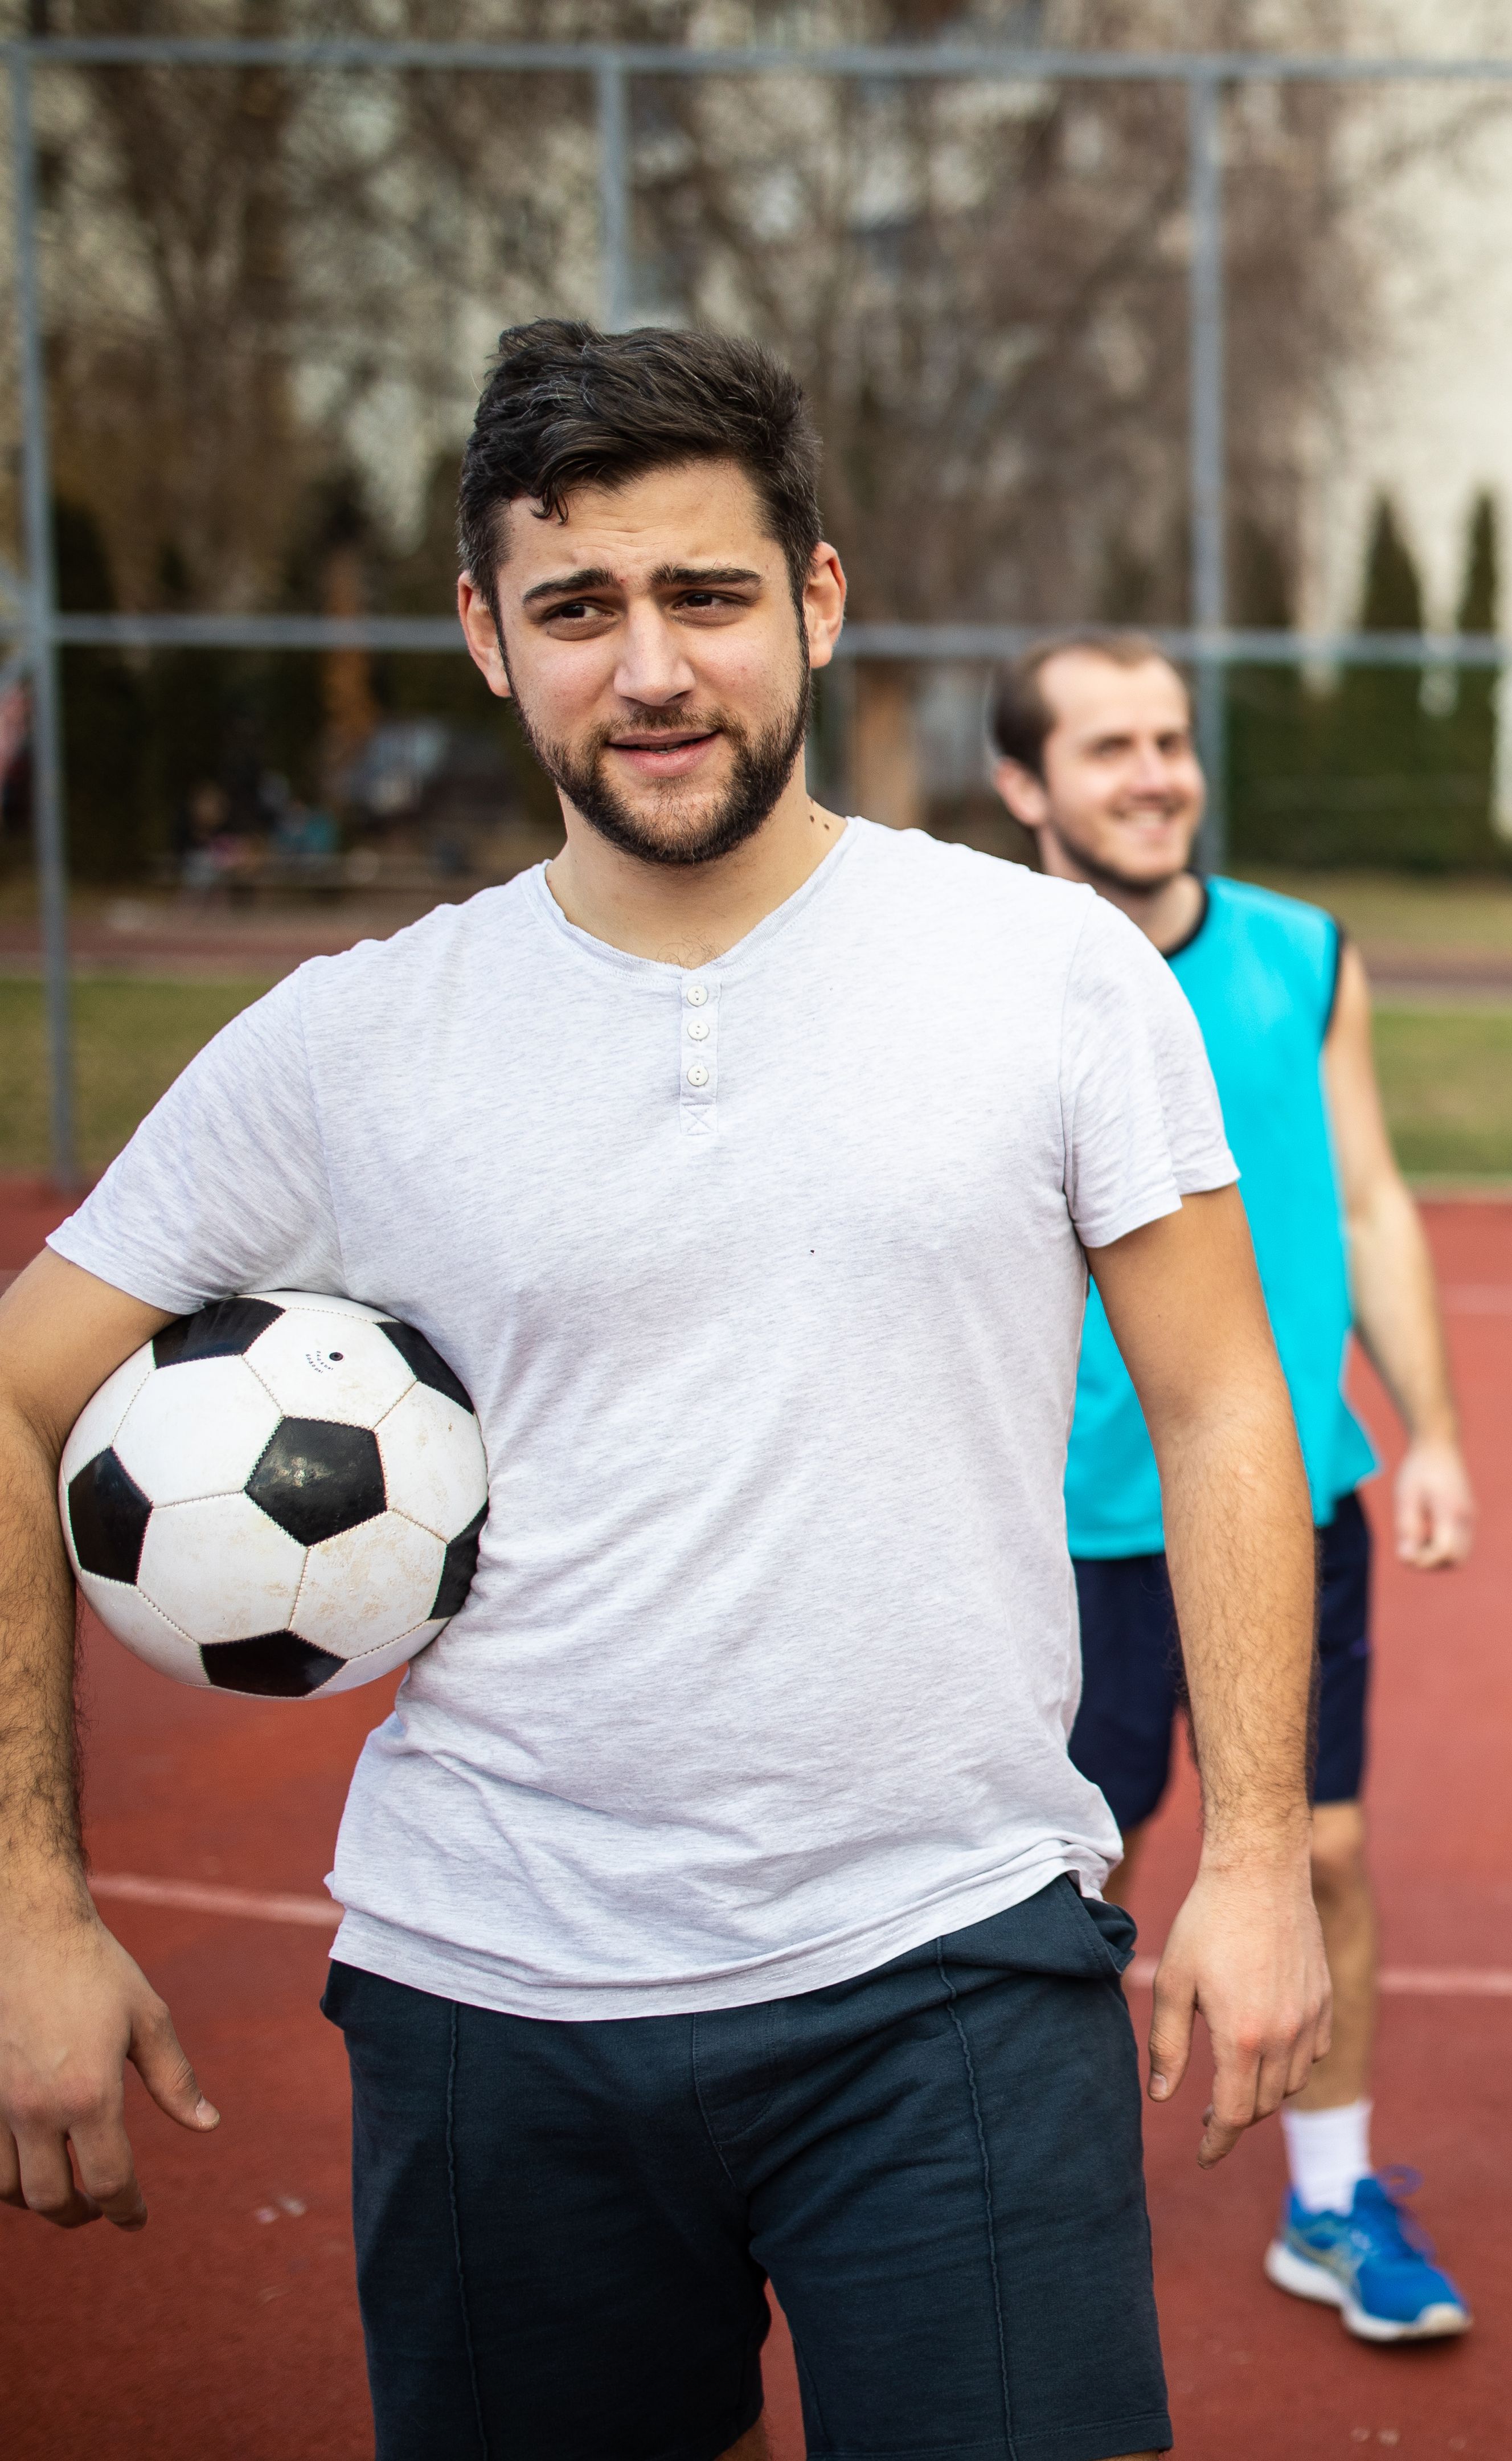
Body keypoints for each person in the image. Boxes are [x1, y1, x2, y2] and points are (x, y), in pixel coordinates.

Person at [0, 322, 1330, 2461]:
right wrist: (27, 1909)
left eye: (707, 596)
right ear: (485, 635)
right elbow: (16, 1396)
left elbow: (1223, 1408)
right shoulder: (351, 1046)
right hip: (494, 2000)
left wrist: (1258, 1852)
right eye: (578, 608)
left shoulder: (1048, 971)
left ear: (817, 594)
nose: (651, 671)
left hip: (958, 1963)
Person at [987, 630, 1480, 2345]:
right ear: (1023, 786)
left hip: (1294, 1501)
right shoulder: (985, 977)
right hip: (1070, 1524)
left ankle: (1333, 2206)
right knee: (1070, 1873)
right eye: (1107, 746)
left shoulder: (1300, 953)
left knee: (1324, 1849)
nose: (1151, 774)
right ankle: (1028, 2204)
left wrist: (1431, 1431)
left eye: (1171, 740)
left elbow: (1371, 1200)